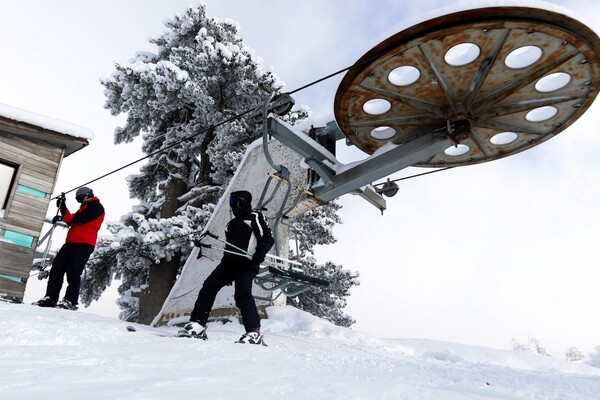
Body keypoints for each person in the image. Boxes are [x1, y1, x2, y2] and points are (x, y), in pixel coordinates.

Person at [178, 190, 274, 345]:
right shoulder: (231, 224)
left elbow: (267, 238)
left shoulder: (254, 217)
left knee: (242, 294)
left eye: (233, 202)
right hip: (229, 264)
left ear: (242, 202)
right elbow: (228, 248)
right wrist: (225, 267)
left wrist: (260, 253)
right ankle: (198, 324)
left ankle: (254, 333)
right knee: (209, 286)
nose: (232, 206)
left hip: (247, 263)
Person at [34, 187, 105, 310]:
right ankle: (50, 298)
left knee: (73, 272)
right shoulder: (83, 208)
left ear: (87, 196)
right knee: (57, 268)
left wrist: (63, 218)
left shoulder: (97, 207)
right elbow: (71, 220)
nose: (79, 202)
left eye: (80, 199)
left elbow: (81, 218)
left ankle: (70, 301)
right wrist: (63, 207)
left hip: (84, 244)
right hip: (70, 243)